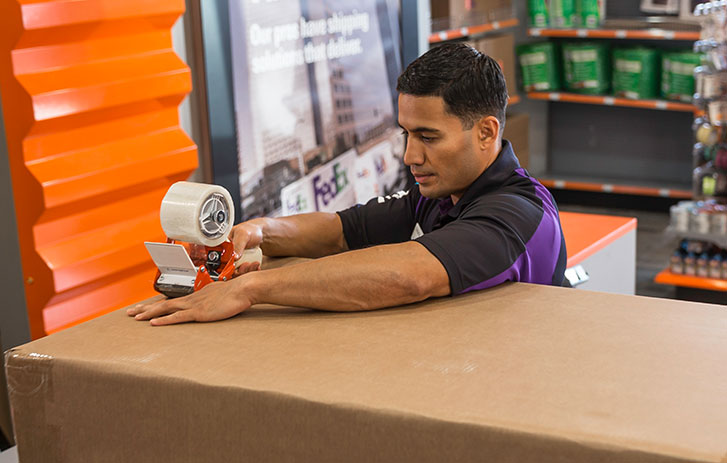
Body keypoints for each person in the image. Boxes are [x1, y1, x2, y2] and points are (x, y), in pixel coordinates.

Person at [128, 43, 566, 326]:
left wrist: (249, 289)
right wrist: (261, 231)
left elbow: (409, 275)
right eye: (406, 134)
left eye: (428, 137)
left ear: (486, 133)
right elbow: (343, 230)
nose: (410, 156)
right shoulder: (439, 193)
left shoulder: (518, 214)